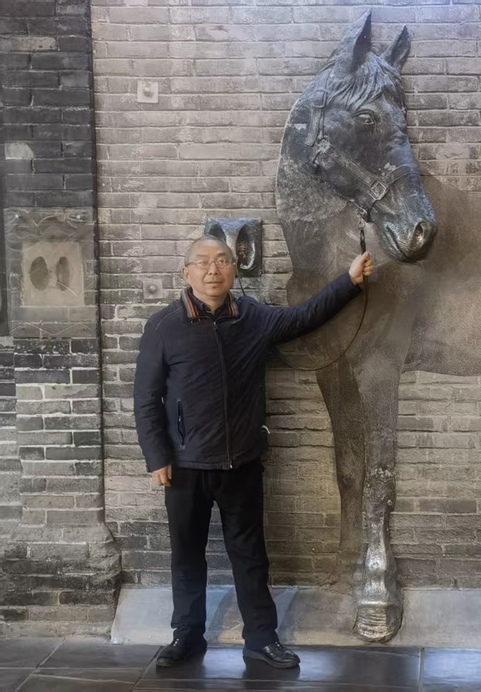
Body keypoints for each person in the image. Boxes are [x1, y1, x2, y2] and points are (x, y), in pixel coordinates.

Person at [133, 235, 372, 669]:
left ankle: (261, 639)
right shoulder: (163, 327)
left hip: (241, 461)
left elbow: (304, 317)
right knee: (187, 556)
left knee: (250, 557)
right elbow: (146, 399)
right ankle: (186, 636)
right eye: (203, 262)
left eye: (222, 261)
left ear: (233, 269)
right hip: (185, 467)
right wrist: (157, 456)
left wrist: (350, 281)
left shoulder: (253, 317)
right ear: (186, 273)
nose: (213, 270)